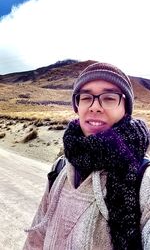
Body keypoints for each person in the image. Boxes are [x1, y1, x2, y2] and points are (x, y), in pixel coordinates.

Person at [23, 62, 150, 250]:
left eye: (108, 98)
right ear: (77, 105)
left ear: (126, 108)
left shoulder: (143, 180)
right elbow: (37, 238)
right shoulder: (61, 168)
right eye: (86, 97)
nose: (95, 107)